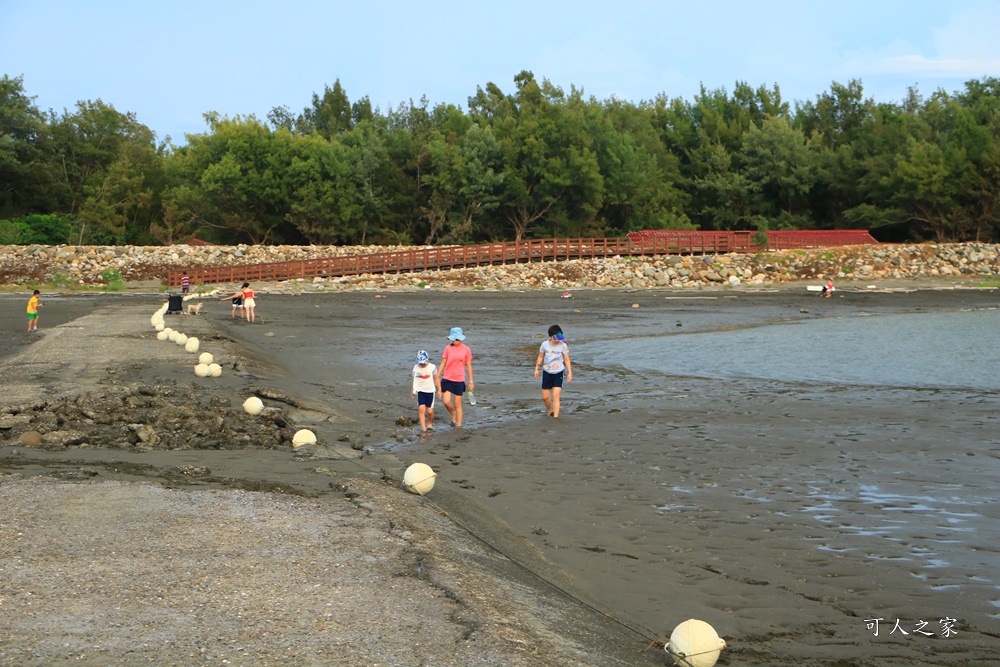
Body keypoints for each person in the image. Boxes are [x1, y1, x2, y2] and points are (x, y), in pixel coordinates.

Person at [435, 327, 474, 428]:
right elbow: (444, 362)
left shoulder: (466, 349)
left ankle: (459, 425)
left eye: (456, 339)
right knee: (446, 401)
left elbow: (469, 366)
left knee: (458, 404)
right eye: (453, 339)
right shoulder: (448, 348)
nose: (454, 341)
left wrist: (471, 381)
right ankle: (453, 414)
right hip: (447, 378)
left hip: (459, 379)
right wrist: (438, 375)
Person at [534, 324, 572, 418]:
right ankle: (550, 410)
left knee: (555, 396)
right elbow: (541, 356)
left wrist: (569, 373)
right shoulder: (544, 345)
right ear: (551, 336)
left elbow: (566, 359)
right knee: (545, 397)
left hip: (559, 372)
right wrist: (536, 369)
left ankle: (556, 416)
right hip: (547, 372)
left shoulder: (563, 345)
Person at [411, 350, 437, 432]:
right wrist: (413, 389)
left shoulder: (432, 367)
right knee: (421, 409)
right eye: (420, 363)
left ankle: (430, 424)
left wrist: (439, 389)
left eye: (423, 363)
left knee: (430, 411)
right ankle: (423, 428)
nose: (422, 364)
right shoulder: (416, 367)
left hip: (430, 391)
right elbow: (415, 379)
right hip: (421, 391)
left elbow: (436, 378)